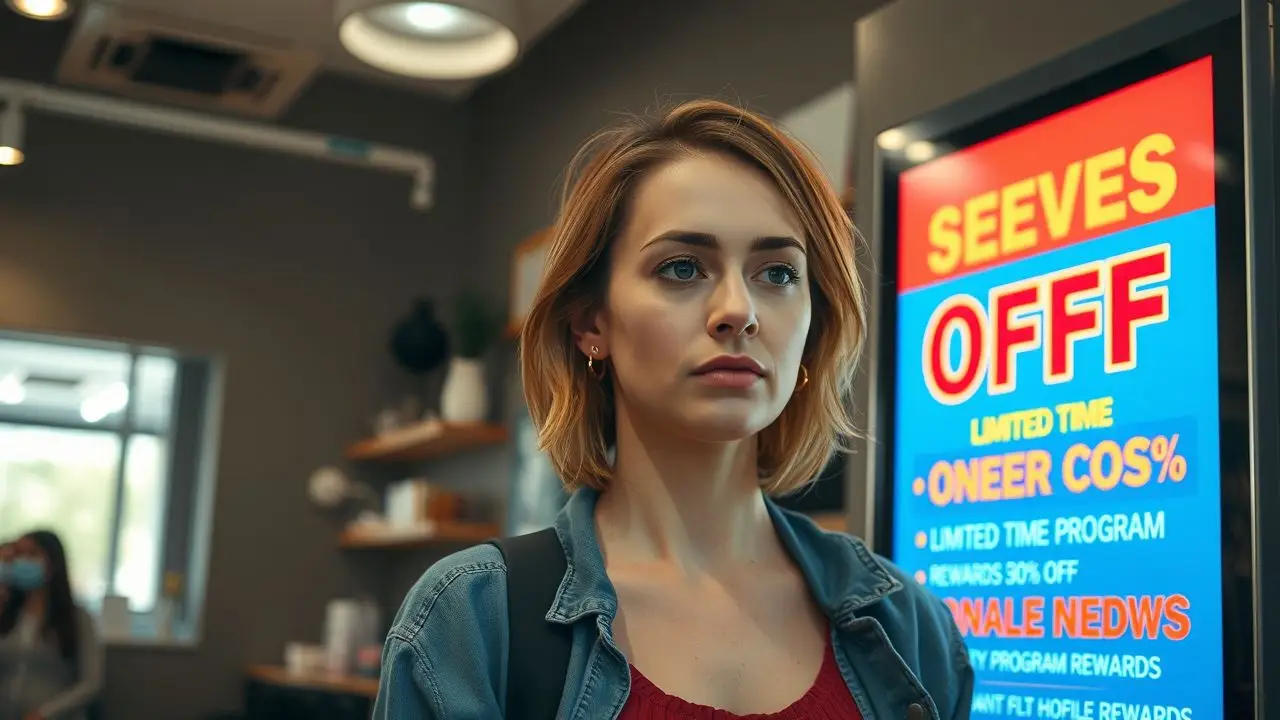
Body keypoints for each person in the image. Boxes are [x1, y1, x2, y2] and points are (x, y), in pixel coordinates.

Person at [374, 100, 973, 719]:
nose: (739, 310)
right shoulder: (473, 620)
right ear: (590, 323)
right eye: (682, 268)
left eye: (778, 274)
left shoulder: (912, 633)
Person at [0, 530, 104, 720]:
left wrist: (44, 714)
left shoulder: (77, 618)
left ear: (52, 563)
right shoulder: (8, 615)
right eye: (18, 555)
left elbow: (90, 683)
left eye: (31, 554)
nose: (22, 562)